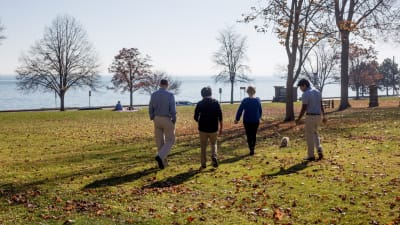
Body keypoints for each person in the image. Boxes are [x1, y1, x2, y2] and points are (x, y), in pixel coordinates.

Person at [295, 79, 327, 161]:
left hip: (310, 116)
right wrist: (324, 116)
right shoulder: (317, 91)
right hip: (318, 116)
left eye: (300, 87)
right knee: (315, 133)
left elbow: (304, 108)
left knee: (309, 136)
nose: (300, 89)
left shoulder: (306, 94)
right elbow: (321, 105)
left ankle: (311, 155)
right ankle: (319, 149)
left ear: (304, 85)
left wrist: (299, 118)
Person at [149, 79, 176, 169]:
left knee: (160, 142)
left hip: (156, 119)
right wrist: (174, 119)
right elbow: (172, 109)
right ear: (167, 85)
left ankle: (163, 163)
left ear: (160, 84)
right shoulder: (170, 95)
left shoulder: (153, 94)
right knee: (170, 140)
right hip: (166, 118)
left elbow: (150, 107)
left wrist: (152, 117)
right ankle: (160, 157)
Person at [194, 87, 223, 169]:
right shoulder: (216, 102)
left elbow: (195, 117)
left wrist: (199, 120)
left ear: (202, 94)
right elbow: (220, 116)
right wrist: (221, 127)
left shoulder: (200, 103)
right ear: (211, 93)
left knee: (203, 146)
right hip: (213, 128)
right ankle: (214, 156)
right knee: (214, 144)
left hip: (203, 128)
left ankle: (203, 164)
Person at [234, 86, 263, 155]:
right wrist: (259, 117)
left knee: (249, 135)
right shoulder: (258, 100)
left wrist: (237, 119)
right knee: (254, 134)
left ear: (247, 92)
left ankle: (251, 149)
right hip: (255, 120)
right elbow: (260, 110)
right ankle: (252, 148)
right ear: (254, 92)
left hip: (247, 121)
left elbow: (240, 110)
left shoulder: (245, 100)